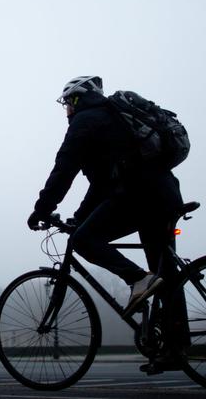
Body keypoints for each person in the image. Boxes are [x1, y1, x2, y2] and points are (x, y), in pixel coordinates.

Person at [27, 75, 184, 315]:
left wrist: (42, 209)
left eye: (67, 103)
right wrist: (80, 216)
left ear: (76, 99)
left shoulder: (86, 121)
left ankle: (138, 279)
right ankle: (176, 344)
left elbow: (64, 168)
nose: (66, 110)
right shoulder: (113, 117)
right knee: (166, 276)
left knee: (82, 240)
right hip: (164, 195)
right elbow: (102, 183)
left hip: (138, 197)